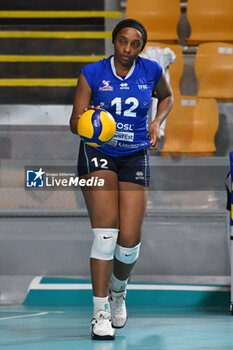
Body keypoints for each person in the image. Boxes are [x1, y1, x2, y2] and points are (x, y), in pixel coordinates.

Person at [70, 19, 173, 340]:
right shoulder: (92, 73)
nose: (128, 49)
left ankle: (118, 292)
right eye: (122, 42)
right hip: (98, 152)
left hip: (135, 154)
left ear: (141, 46)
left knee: (128, 242)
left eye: (135, 44)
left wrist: (156, 122)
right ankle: (99, 312)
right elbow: (74, 122)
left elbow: (167, 97)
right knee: (106, 234)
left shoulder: (152, 71)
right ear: (113, 42)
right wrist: (91, 122)